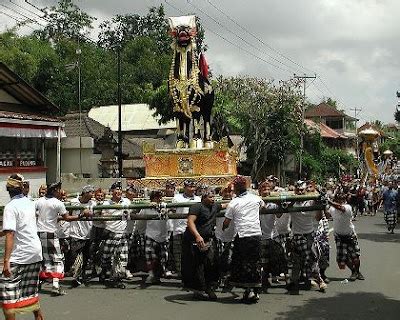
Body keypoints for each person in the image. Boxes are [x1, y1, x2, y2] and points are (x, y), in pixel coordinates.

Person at [0, 174, 44, 320]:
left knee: (8, 298)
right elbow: (17, 227)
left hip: (20, 255)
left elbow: (10, 234)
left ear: (7, 189)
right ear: (22, 188)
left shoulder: (10, 207)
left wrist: (6, 261)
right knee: (31, 293)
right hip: (35, 252)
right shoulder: (30, 202)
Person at [36, 181, 89, 295]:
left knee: (43, 259)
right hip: (50, 233)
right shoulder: (57, 203)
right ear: (55, 190)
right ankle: (55, 285)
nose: (60, 192)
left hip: (39, 232)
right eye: (59, 190)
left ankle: (38, 283)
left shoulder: (38, 201)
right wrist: (81, 215)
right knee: (57, 259)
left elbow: (34, 215)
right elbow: (67, 217)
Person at [223, 176, 263, 303]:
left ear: (235, 189)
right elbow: (263, 206)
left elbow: (226, 222)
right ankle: (253, 289)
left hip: (243, 235)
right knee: (255, 261)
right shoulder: (256, 198)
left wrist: (223, 228)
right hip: (256, 233)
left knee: (243, 263)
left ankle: (249, 289)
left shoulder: (233, 203)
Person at [182, 189, 225, 300]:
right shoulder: (197, 207)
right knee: (197, 265)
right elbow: (190, 221)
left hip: (209, 239)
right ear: (204, 197)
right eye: (210, 197)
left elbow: (226, 205)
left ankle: (210, 288)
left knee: (211, 263)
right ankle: (198, 290)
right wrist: (197, 236)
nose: (213, 199)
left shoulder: (215, 206)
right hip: (194, 240)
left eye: (214, 197)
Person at [326, 193, 365, 281]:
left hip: (350, 235)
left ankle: (357, 271)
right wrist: (322, 205)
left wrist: (329, 202)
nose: (340, 201)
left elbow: (341, 208)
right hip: (339, 236)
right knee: (343, 258)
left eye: (342, 199)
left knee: (355, 256)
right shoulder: (332, 209)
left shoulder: (348, 207)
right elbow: (327, 215)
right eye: (338, 199)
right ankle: (354, 271)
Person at [100, 181, 129, 288]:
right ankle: (105, 272)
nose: (119, 191)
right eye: (116, 189)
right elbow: (102, 217)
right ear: (112, 191)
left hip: (123, 234)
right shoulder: (106, 204)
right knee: (108, 256)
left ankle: (117, 278)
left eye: (120, 189)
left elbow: (135, 210)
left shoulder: (126, 202)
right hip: (111, 232)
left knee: (122, 257)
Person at [170, 179, 201, 276]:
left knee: (192, 252)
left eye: (193, 187)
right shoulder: (177, 198)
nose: (192, 189)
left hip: (193, 230)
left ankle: (192, 273)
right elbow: (172, 211)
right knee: (178, 253)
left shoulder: (198, 200)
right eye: (189, 187)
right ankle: (181, 273)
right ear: (185, 188)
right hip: (179, 229)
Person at [68, 185, 96, 287]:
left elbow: (96, 214)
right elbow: (69, 214)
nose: (92, 194)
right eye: (91, 192)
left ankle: (82, 276)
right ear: (85, 193)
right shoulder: (73, 202)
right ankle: (76, 276)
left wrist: (91, 214)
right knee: (75, 257)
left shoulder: (93, 203)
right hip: (75, 233)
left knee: (86, 256)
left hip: (88, 233)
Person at [142, 191, 170, 284]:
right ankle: (151, 274)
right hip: (151, 234)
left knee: (163, 256)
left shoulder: (165, 205)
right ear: (152, 198)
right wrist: (141, 232)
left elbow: (172, 211)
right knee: (150, 256)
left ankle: (162, 272)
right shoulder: (147, 207)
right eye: (156, 197)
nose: (159, 198)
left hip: (163, 235)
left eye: (160, 197)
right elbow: (140, 218)